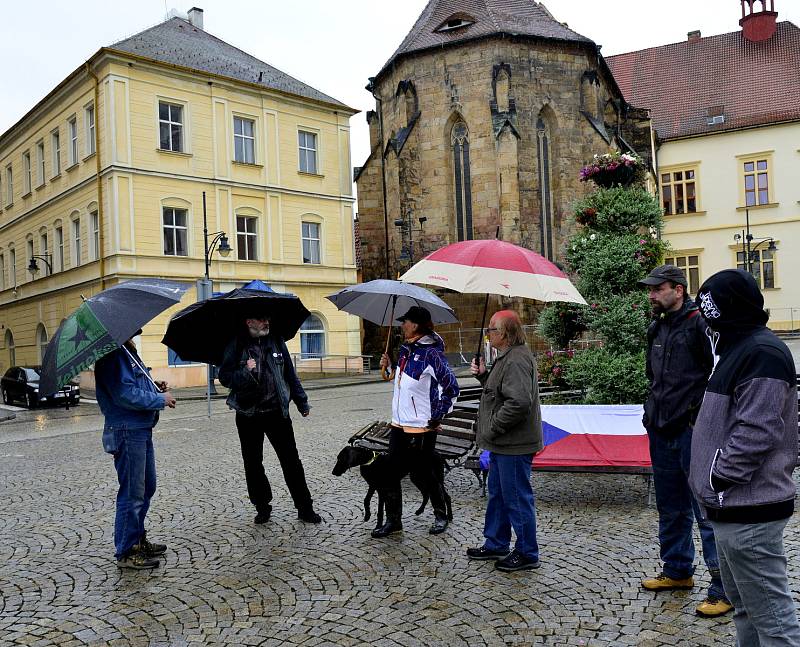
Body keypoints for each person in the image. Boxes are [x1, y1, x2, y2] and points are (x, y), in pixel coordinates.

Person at [690, 269, 800, 645]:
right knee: (746, 608)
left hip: (748, 506)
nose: (703, 320)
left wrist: (717, 478)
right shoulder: (739, 348)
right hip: (732, 506)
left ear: (726, 310)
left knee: (773, 619)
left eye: (708, 310)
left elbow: (757, 432)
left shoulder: (761, 353)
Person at [637, 265, 732, 617]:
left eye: (657, 289)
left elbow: (717, 374)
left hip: (692, 429)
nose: (651, 295)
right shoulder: (658, 326)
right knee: (671, 507)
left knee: (704, 510)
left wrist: (700, 416)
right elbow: (653, 376)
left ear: (678, 290)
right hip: (661, 427)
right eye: (649, 289)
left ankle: (723, 587)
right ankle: (677, 570)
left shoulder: (699, 325)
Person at [218, 314, 321, 525]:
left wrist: (301, 402)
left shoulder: (276, 340)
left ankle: (305, 507)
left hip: (277, 412)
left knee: (291, 462)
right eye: (261, 319)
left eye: (267, 318)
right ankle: (262, 506)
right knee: (253, 464)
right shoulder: (236, 344)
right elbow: (225, 378)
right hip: (248, 414)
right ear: (249, 322)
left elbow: (290, 375)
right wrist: (245, 371)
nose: (266, 322)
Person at [466, 310, 542, 572]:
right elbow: (501, 391)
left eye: (492, 330)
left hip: (514, 443)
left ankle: (526, 552)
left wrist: (494, 427)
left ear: (506, 333)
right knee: (498, 494)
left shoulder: (517, 359)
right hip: (503, 443)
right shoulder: (506, 357)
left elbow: (519, 402)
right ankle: (496, 542)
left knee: (516, 497)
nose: (488, 334)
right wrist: (484, 375)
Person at [374, 305, 459, 538]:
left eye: (406, 322)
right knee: (390, 472)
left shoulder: (432, 354)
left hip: (421, 427)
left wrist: (437, 415)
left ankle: (441, 513)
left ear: (417, 325)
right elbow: (404, 383)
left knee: (422, 474)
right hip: (399, 424)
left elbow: (451, 387)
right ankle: (394, 521)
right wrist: (390, 366)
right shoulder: (405, 350)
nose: (402, 325)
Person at [95, 333, 176, 570]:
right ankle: (127, 551)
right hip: (127, 431)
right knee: (132, 492)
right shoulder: (112, 355)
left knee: (146, 486)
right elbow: (124, 394)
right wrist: (159, 399)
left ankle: (138, 538)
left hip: (140, 429)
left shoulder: (127, 351)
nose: (138, 330)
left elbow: (136, 386)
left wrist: (154, 387)